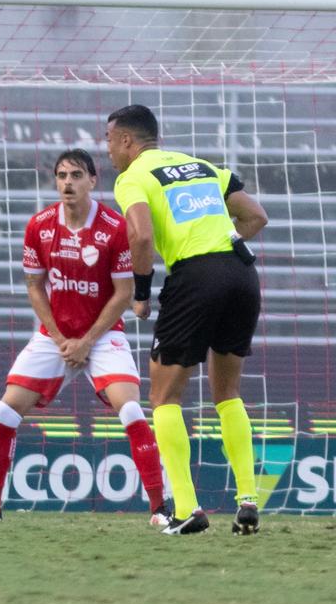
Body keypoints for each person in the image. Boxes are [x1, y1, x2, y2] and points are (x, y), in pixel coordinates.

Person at [0, 149, 167, 525]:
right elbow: (35, 286)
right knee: (5, 410)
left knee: (131, 409)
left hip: (102, 337)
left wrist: (86, 341)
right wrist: (59, 337)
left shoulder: (114, 228)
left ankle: (160, 508)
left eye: (76, 175)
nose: (68, 182)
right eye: (62, 175)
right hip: (55, 338)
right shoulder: (40, 225)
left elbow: (122, 294)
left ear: (92, 181)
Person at [106, 105, 269, 535]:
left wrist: (140, 294)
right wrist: (226, 243)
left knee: (163, 397)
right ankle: (248, 499)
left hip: (194, 277)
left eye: (108, 142)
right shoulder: (201, 165)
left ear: (126, 140)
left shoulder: (133, 177)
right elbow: (256, 216)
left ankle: (188, 509)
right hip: (241, 275)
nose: (108, 153)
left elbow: (140, 234)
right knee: (228, 392)